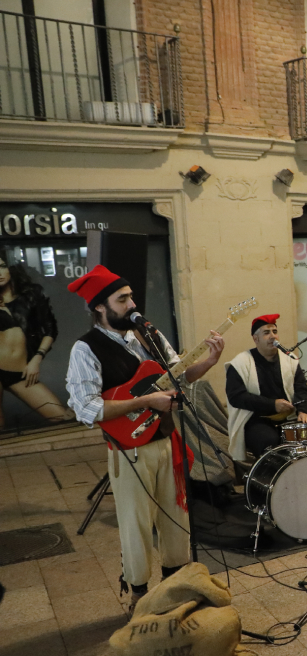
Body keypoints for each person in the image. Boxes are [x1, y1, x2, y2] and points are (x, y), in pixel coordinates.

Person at [63, 265, 225, 612]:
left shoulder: (148, 334)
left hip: (166, 440)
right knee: (136, 524)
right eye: (122, 299)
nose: (132, 303)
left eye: (131, 295)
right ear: (100, 308)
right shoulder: (85, 349)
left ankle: (176, 585)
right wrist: (143, 401)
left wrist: (209, 361)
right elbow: (86, 408)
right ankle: (139, 597)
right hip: (129, 451)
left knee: (176, 518)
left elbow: (178, 374)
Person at [225, 314, 307, 460]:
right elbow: (236, 397)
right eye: (266, 333)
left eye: (275, 332)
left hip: (290, 417)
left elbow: (301, 388)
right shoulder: (240, 364)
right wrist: (272, 405)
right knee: (269, 443)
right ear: (255, 339)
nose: (273, 336)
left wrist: (302, 411)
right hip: (256, 420)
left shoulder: (290, 360)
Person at [0, 254, 73, 428]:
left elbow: (50, 329)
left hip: (19, 371)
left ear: (11, 268)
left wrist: (36, 359)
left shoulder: (31, 295)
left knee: (60, 417)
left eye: (2, 266)